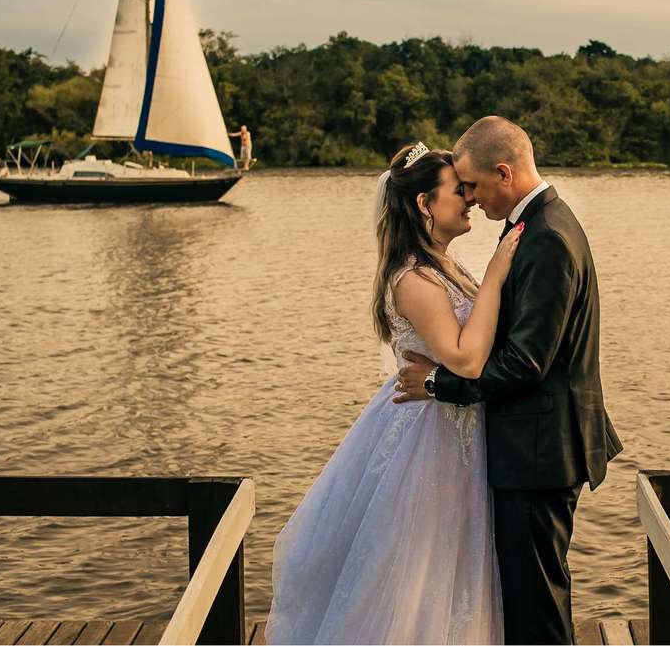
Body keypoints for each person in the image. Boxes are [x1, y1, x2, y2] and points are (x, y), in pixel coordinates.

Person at [266, 141, 524, 644]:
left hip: (453, 428)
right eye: (458, 190)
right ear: (425, 204)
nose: (469, 199)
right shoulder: (413, 278)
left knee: (456, 568)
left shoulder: (444, 265)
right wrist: (496, 276)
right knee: (418, 571)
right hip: (427, 441)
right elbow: (466, 358)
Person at [396, 115, 623, 645]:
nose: (470, 199)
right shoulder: (535, 225)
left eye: (472, 185)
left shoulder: (547, 237)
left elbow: (526, 363)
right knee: (526, 595)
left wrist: (437, 385)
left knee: (536, 604)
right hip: (533, 445)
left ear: (504, 173)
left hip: (540, 450)